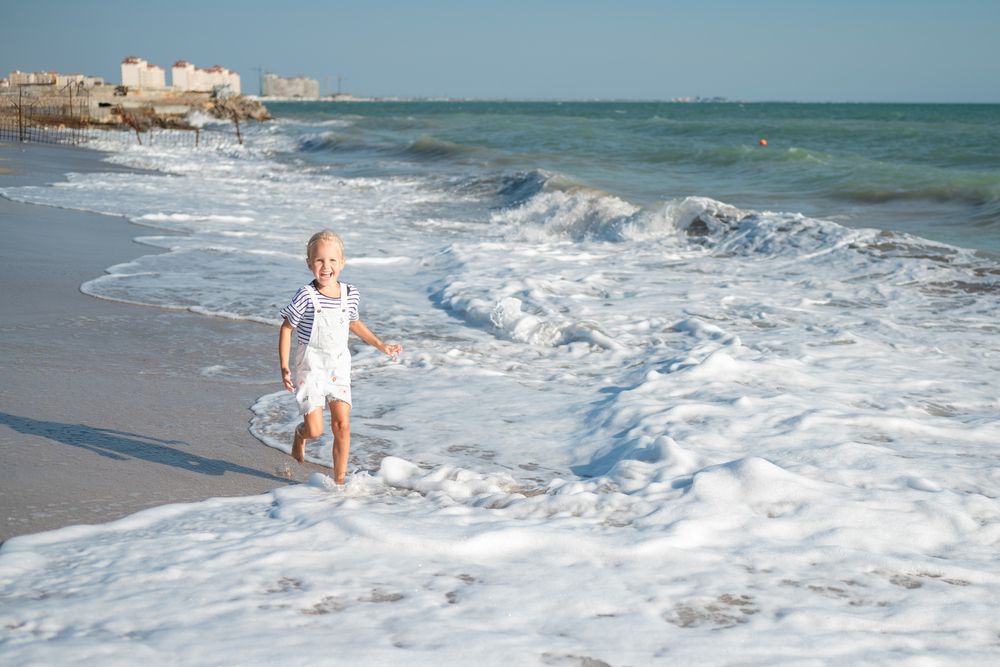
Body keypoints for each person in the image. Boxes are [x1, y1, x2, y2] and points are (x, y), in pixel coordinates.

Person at [278, 230, 402, 484]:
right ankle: (300, 436)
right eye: (320, 260)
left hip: (338, 366)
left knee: (342, 425)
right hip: (311, 366)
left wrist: (381, 345)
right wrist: (283, 366)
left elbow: (353, 323)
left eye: (333, 260)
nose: (326, 266)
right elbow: (287, 328)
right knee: (315, 429)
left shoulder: (350, 294)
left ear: (342, 263)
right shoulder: (305, 295)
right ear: (309, 263)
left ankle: (340, 482)